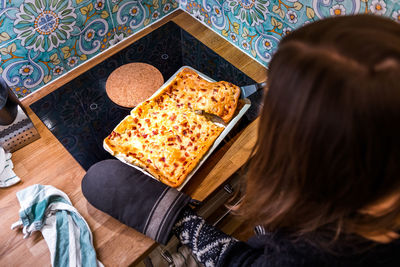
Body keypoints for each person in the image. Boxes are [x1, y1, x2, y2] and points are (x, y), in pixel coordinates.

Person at [82, 14, 400, 266]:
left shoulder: (311, 253)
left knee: (100, 179)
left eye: (276, 109)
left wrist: (181, 221)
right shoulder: (375, 175)